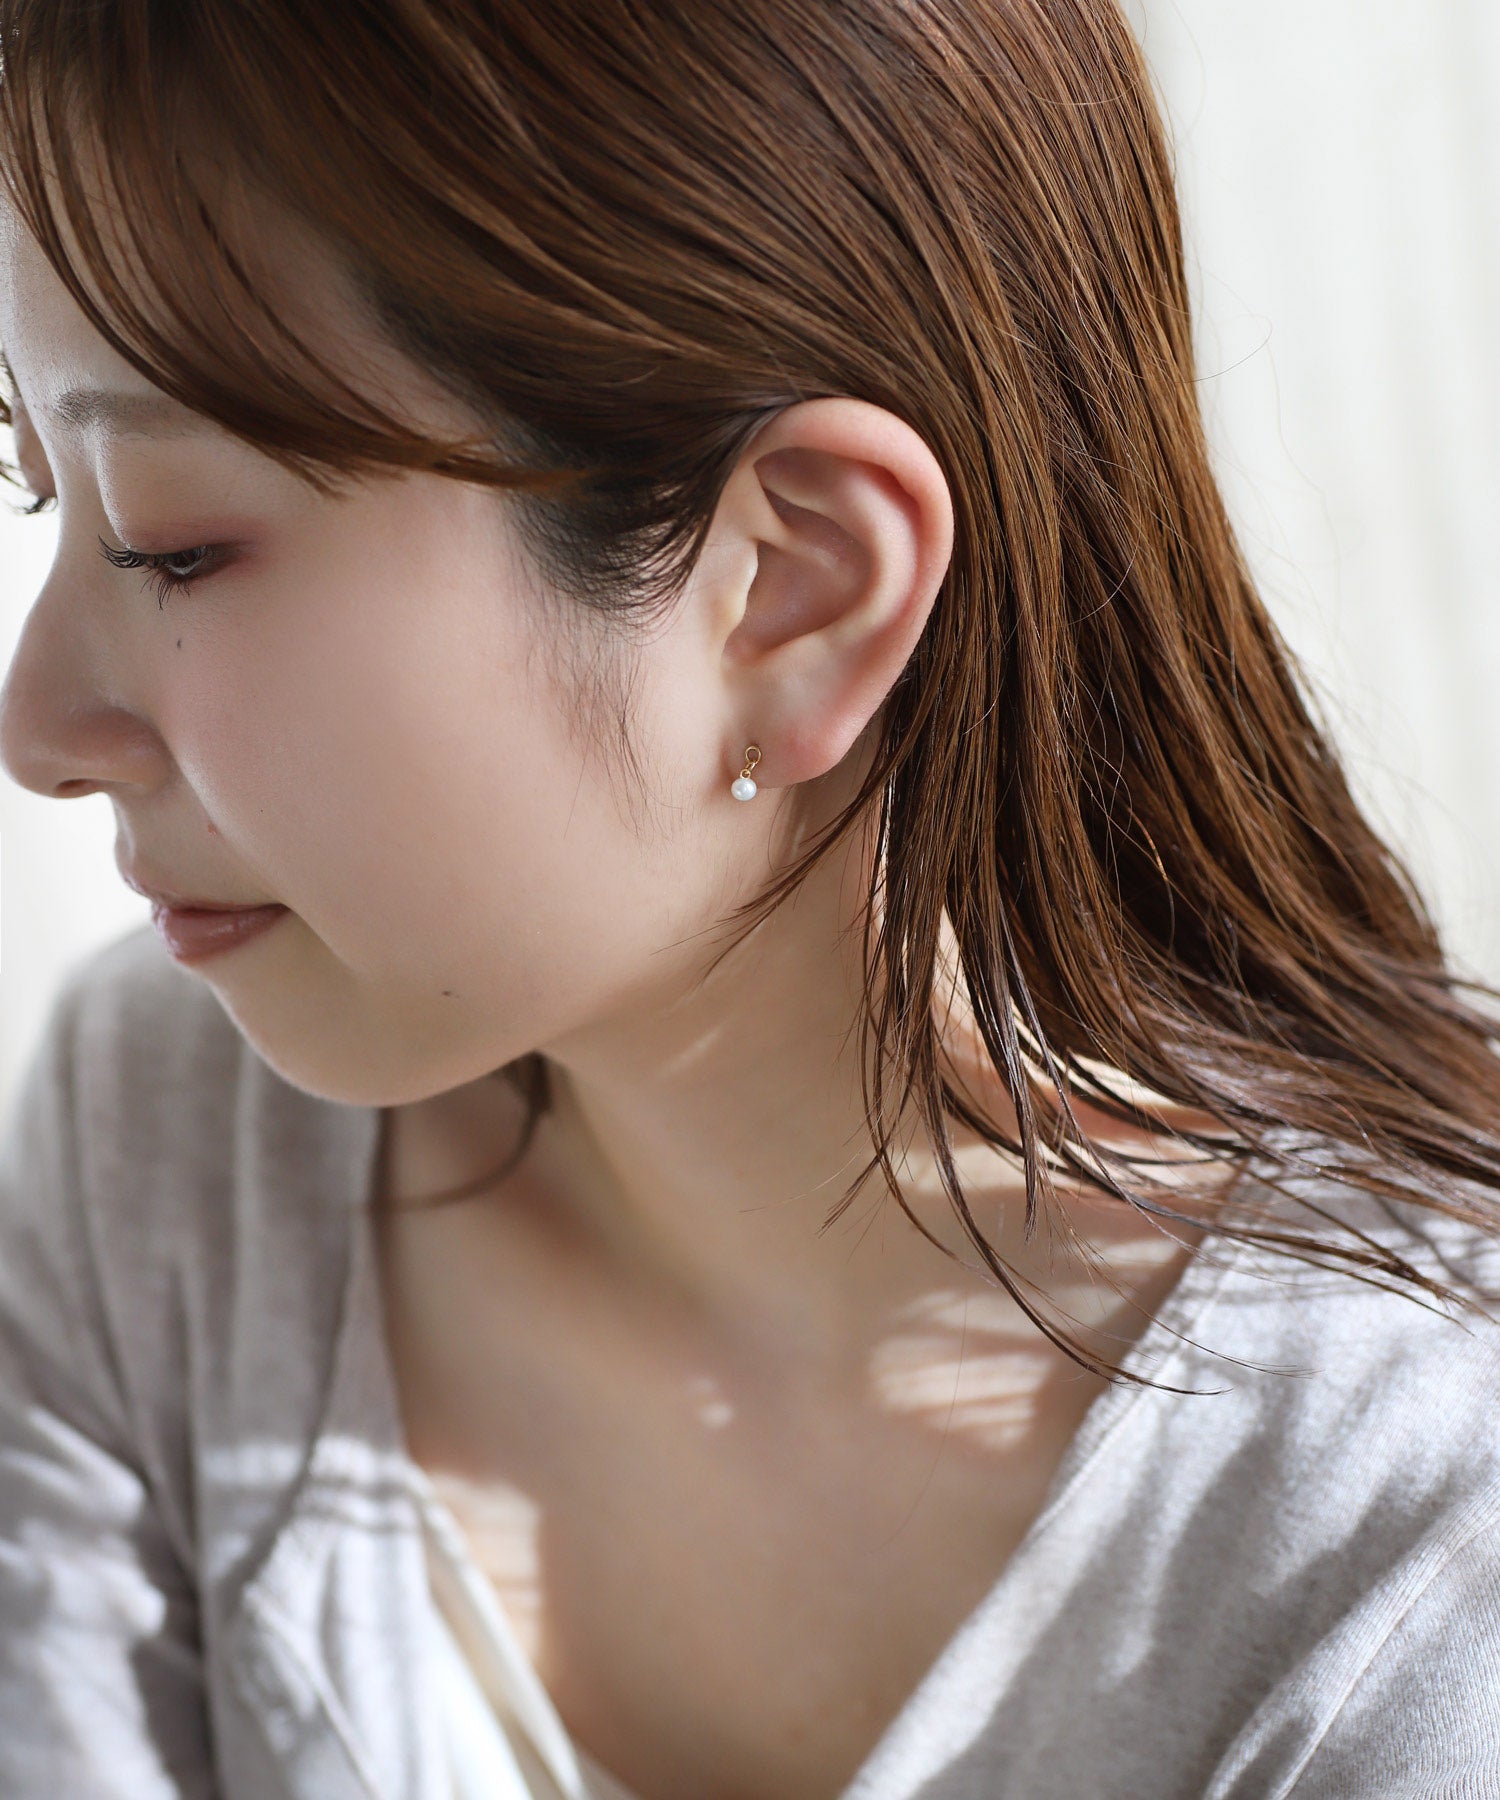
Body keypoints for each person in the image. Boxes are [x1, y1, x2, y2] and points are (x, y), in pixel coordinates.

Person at [0, 1, 1497, 1795]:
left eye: (172, 542)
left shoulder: (1422, 1552)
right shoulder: (171, 1161)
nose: (36, 726)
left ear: (794, 588)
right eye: (33, 484)